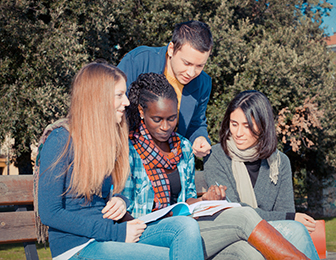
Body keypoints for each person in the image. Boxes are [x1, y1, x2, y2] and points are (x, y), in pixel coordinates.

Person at [119, 72, 311, 260]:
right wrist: (168, 214)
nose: (165, 127)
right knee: (243, 216)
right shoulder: (127, 150)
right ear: (142, 112)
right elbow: (125, 211)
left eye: (171, 118)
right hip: (149, 231)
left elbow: (188, 203)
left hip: (189, 228)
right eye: (158, 119)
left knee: (255, 251)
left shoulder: (183, 147)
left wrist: (206, 200)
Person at [37, 62, 204, 260]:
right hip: (77, 248)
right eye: (119, 95)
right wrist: (115, 233)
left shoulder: (107, 141)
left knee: (185, 226)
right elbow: (49, 212)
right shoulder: (61, 140)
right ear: (98, 98)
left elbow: (112, 193)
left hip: (107, 238)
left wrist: (120, 200)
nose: (126, 102)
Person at [204, 90, 320, 260]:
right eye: (234, 124)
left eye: (247, 125)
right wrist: (290, 217)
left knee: (296, 232)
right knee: (289, 234)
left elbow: (285, 216)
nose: (238, 133)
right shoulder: (216, 156)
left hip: (270, 235)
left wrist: (288, 218)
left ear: (263, 125)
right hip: (230, 238)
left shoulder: (280, 162)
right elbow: (237, 213)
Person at [117, 20, 212, 158]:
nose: (191, 73)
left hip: (168, 159)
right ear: (171, 49)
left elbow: (196, 123)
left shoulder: (203, 82)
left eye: (200, 66)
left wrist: (200, 139)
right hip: (125, 153)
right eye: (187, 63)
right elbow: (110, 103)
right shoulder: (138, 60)